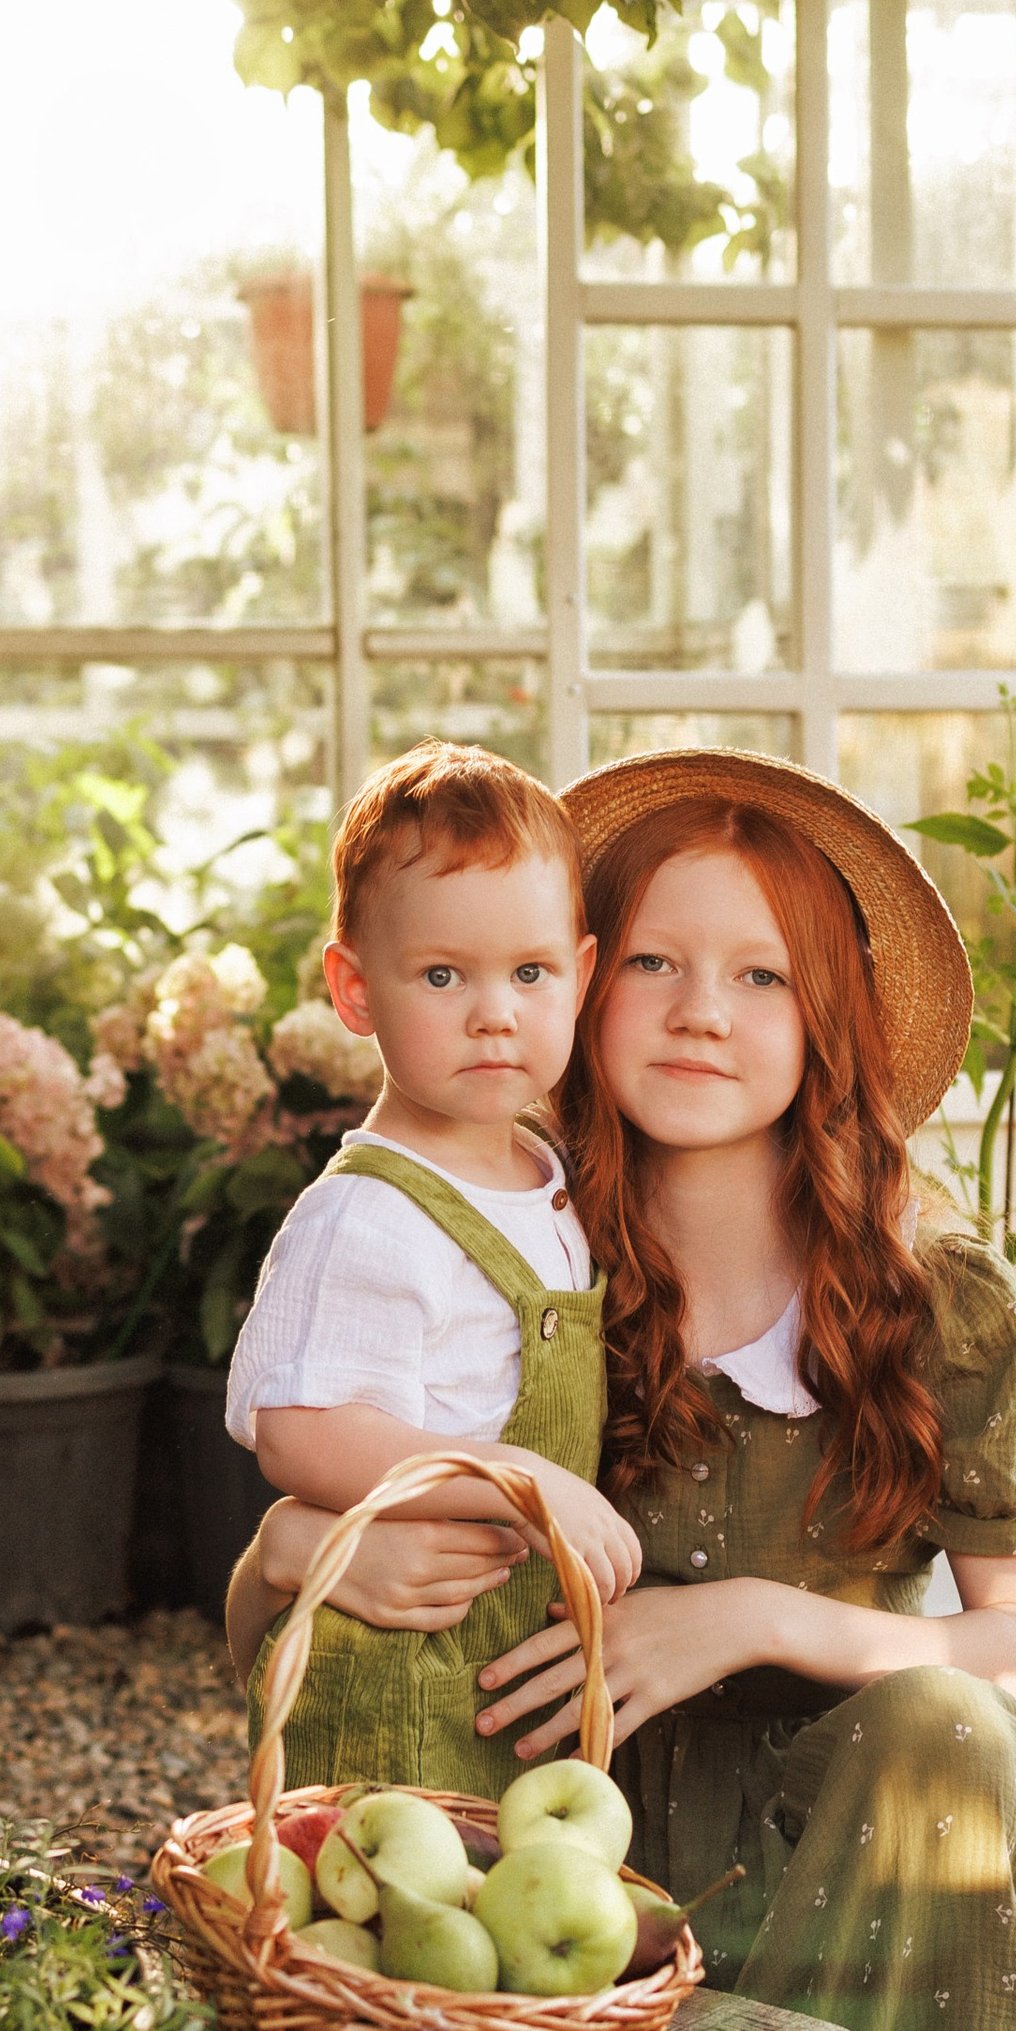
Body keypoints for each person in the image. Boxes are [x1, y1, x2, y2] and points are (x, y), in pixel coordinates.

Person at [229, 747, 1016, 2031]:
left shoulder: (922, 1272)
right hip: (598, 1824)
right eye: (653, 960)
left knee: (943, 1736)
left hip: (873, 1828)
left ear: (828, 1019)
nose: (698, 1013)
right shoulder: (524, 1241)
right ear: (585, 979)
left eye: (758, 975)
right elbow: (334, 1483)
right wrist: (300, 1539)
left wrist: (752, 1613)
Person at [225, 739, 640, 1800]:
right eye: (443, 974)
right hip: (399, 1671)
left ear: (581, 977)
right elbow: (304, 1429)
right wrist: (521, 1478)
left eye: (530, 973)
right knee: (395, 1919)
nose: (494, 1010)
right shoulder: (369, 1216)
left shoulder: (547, 1167)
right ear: (355, 991)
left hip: (499, 1666)